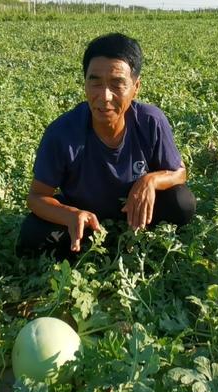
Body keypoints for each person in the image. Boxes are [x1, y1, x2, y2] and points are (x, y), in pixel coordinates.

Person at [17, 33, 196, 259]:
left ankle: (135, 237)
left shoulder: (151, 121)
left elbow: (180, 172)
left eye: (117, 84)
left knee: (182, 202)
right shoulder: (61, 133)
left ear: (136, 87)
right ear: (84, 83)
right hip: (85, 214)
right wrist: (71, 214)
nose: (105, 96)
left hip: (136, 212)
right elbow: (36, 197)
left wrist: (150, 180)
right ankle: (91, 241)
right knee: (33, 235)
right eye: (95, 82)